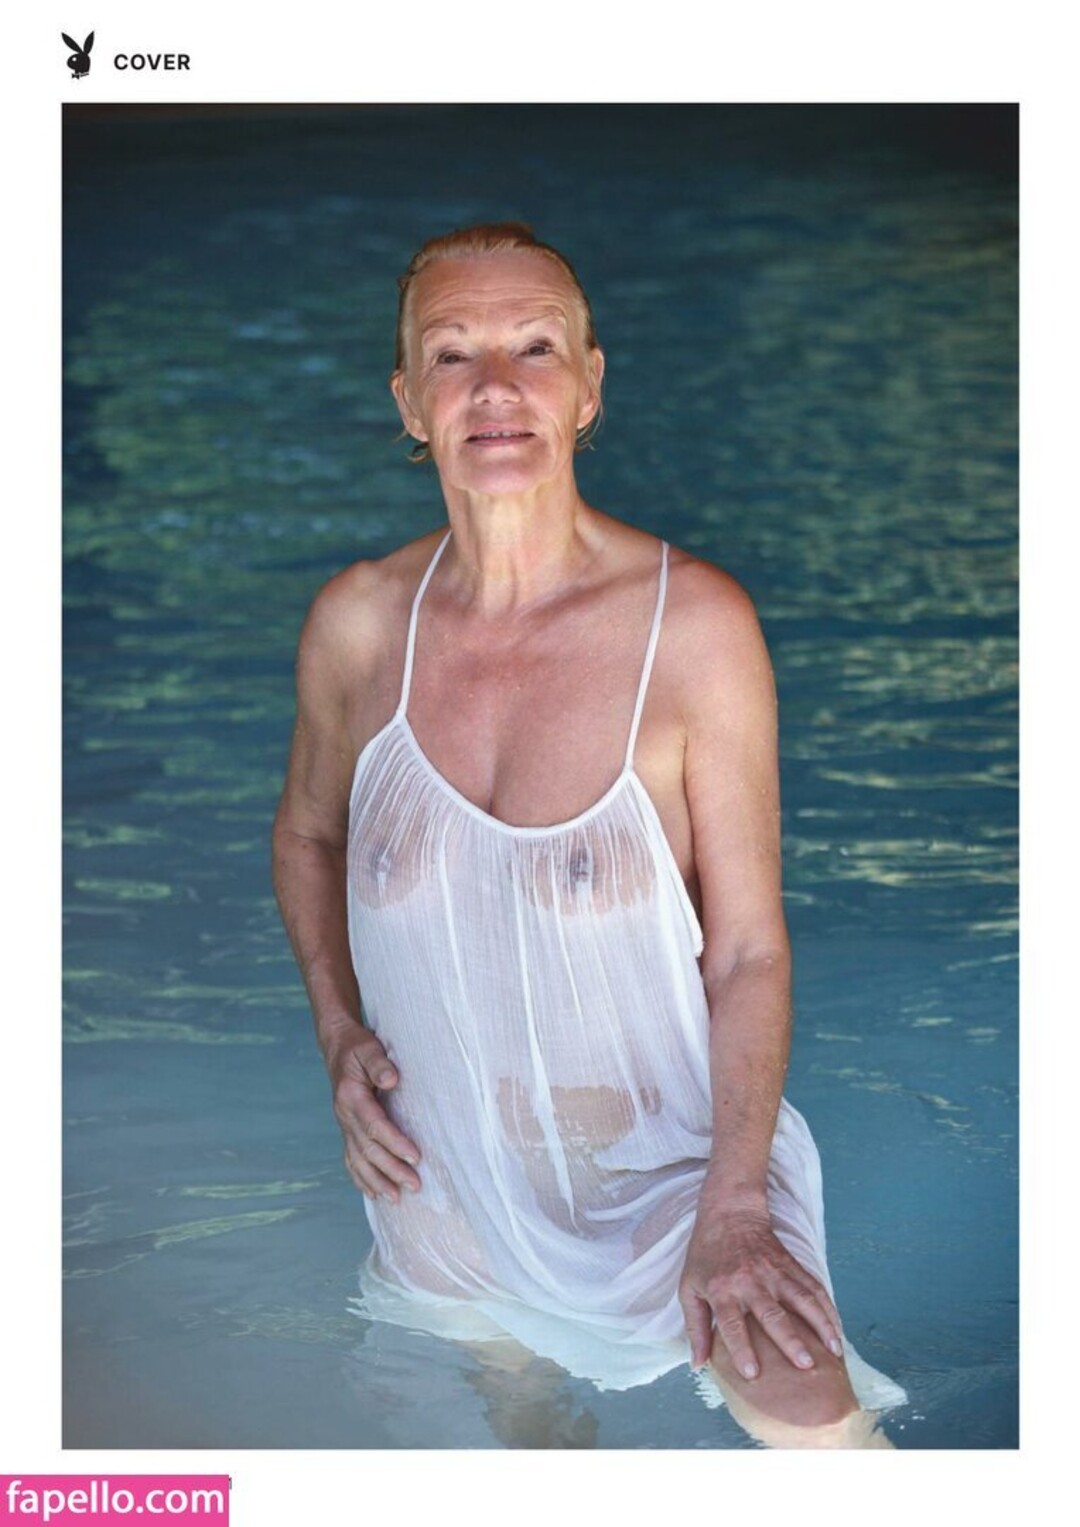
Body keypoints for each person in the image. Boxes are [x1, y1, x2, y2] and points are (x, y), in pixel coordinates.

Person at [272, 222, 905, 1448]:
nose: (493, 387)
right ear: (408, 402)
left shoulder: (697, 629)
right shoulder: (358, 623)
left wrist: (735, 1208)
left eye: (535, 348)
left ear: (589, 387)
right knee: (530, 1454)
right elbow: (307, 837)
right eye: (451, 354)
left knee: (829, 1449)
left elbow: (749, 953)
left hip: (676, 1182)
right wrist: (337, 1031)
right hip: (442, 1186)